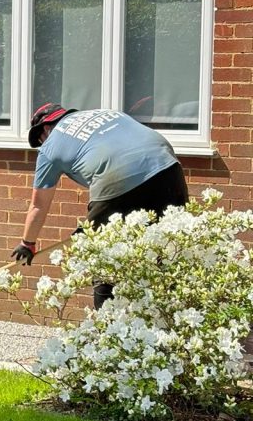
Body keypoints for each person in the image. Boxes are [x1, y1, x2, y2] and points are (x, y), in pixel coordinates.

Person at [11, 104, 189, 308]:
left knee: (104, 260)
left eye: (40, 139)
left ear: (45, 128)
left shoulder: (50, 146)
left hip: (117, 175)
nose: (42, 143)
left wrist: (28, 243)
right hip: (167, 165)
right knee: (171, 249)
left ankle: (106, 327)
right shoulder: (105, 113)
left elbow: (38, 205)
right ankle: (176, 319)